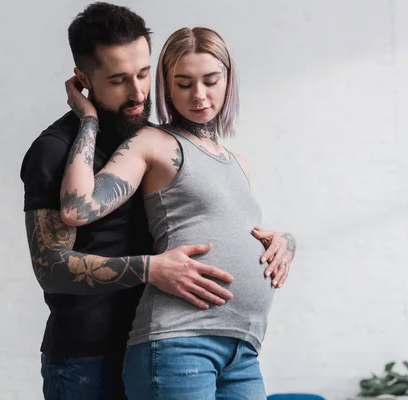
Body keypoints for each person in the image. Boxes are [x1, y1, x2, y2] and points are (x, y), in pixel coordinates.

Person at [20, 3, 295, 399]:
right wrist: (89, 120)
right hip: (89, 358)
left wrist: (280, 240)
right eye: (118, 80)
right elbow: (51, 267)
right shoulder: (54, 150)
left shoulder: (163, 140)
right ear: (83, 79)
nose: (137, 92)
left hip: (167, 338)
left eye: (144, 74)